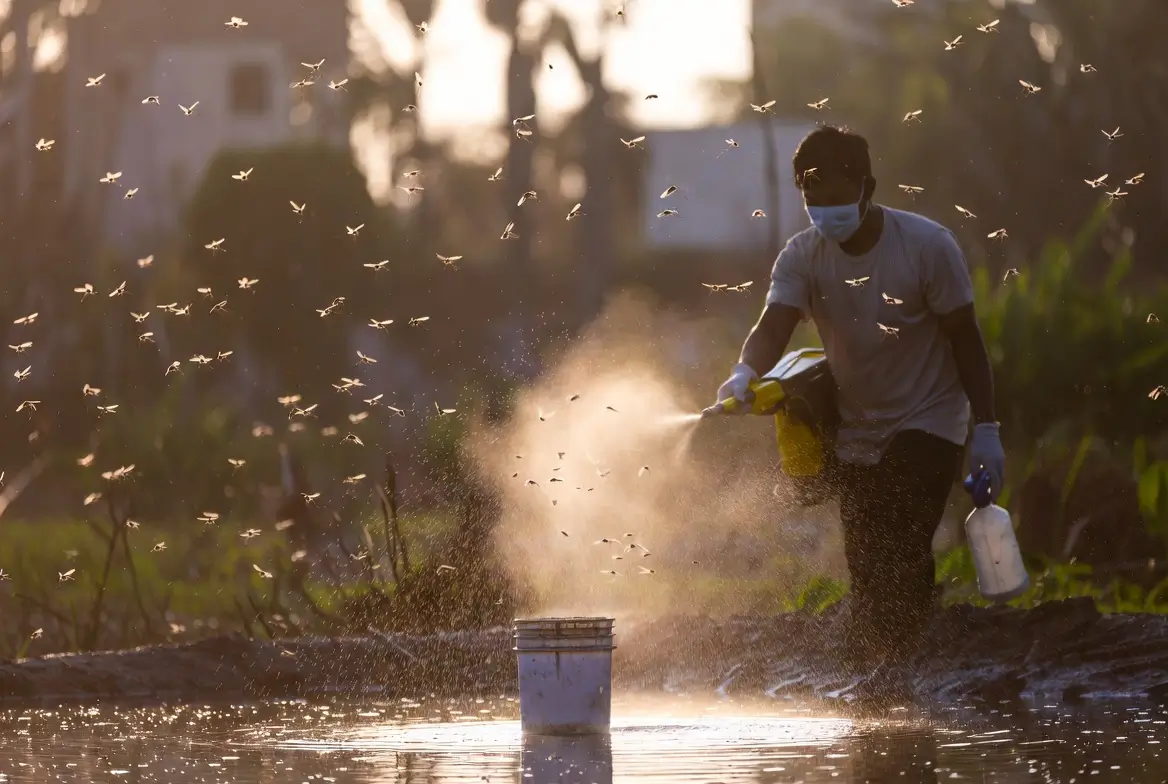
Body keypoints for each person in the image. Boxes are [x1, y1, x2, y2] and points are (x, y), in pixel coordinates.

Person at [716, 125, 1004, 678]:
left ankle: (894, 670)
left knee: (899, 536)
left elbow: (966, 338)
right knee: (869, 559)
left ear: (867, 187)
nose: (825, 212)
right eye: (812, 200)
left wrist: (986, 429)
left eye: (836, 198)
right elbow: (774, 323)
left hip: (930, 420)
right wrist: (745, 369)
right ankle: (893, 671)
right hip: (857, 430)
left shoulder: (926, 247)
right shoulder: (802, 256)